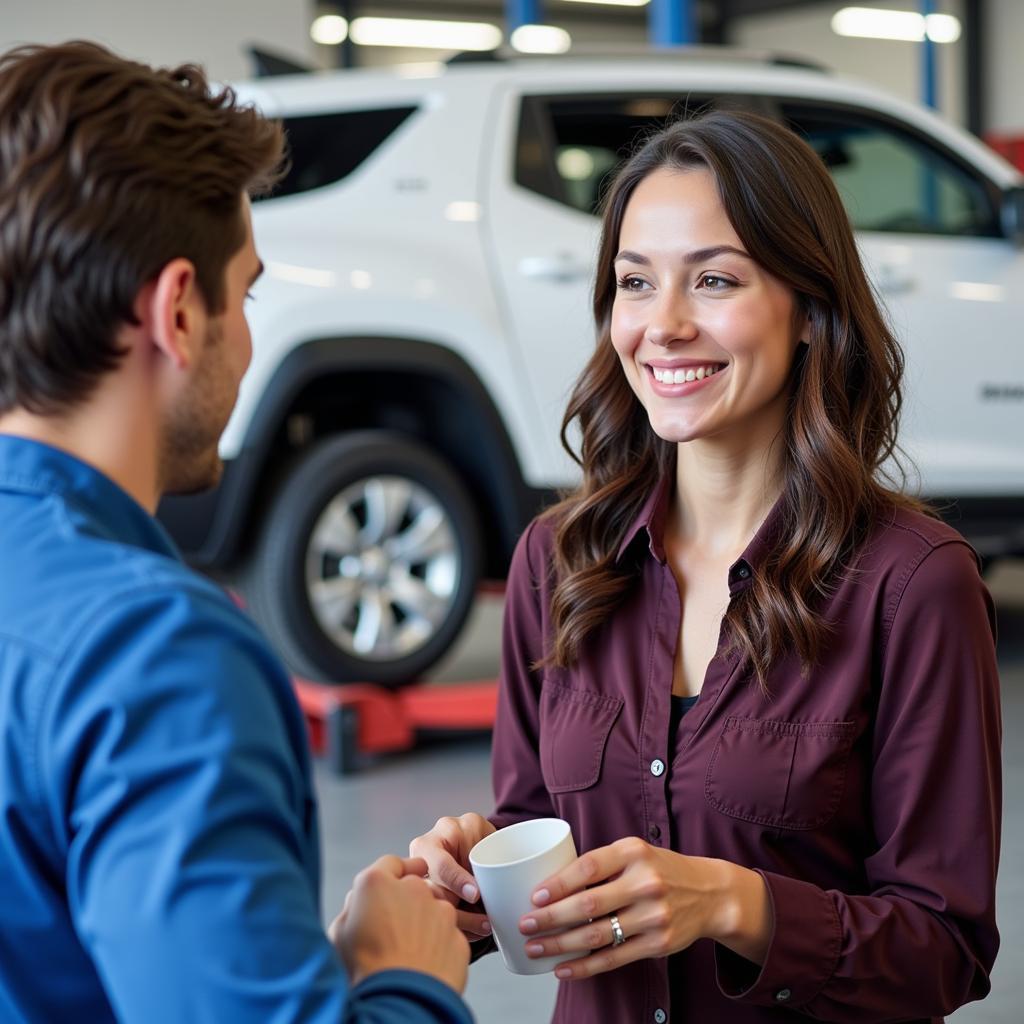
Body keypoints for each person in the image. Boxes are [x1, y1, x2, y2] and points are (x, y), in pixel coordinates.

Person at [410, 110, 1002, 1022]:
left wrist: (733, 902)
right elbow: (539, 822)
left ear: (811, 308)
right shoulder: (557, 562)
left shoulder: (911, 584)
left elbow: (945, 949)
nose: (665, 326)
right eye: (636, 283)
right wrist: (475, 867)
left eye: (715, 280)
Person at [0, 41, 472, 1024]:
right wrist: (406, 978)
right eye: (246, 292)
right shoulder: (152, 654)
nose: (248, 336)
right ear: (178, 310)